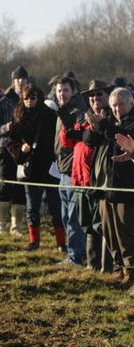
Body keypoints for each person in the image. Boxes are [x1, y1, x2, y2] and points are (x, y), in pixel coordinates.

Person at [84, 87, 134, 290]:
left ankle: (131, 272)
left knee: (126, 232)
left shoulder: (129, 123)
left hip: (126, 189)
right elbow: (89, 141)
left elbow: (121, 136)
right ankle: (117, 269)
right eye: (113, 105)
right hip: (106, 186)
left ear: (130, 104)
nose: (117, 109)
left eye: (121, 104)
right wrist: (94, 127)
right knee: (110, 231)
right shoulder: (110, 122)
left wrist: (104, 125)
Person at [7, 85, 65, 251]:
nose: (29, 101)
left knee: (56, 206)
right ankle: (34, 241)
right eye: (26, 98)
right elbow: (11, 142)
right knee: (32, 207)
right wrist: (21, 151)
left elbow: (58, 139)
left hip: (49, 166)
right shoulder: (18, 117)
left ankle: (61, 242)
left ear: (38, 98)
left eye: (32, 98)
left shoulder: (50, 115)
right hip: (30, 167)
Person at [64, 80, 113, 271]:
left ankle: (106, 268)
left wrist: (98, 127)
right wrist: (71, 127)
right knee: (88, 225)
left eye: (99, 94)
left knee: (102, 225)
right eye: (91, 96)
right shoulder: (84, 118)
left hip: (101, 182)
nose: (95, 98)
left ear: (107, 96)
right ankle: (92, 265)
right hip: (81, 180)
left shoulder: (111, 117)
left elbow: (96, 142)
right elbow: (74, 141)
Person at [54, 76, 87, 266]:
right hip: (62, 170)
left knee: (74, 217)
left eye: (65, 90)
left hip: (74, 172)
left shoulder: (79, 112)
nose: (61, 94)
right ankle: (73, 253)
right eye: (59, 90)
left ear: (74, 91)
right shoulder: (62, 111)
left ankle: (77, 256)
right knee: (66, 215)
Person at [0, 66, 28, 235]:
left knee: (21, 185)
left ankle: (17, 226)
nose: (20, 81)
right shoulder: (3, 100)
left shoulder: (30, 99)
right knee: (6, 183)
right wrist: (5, 127)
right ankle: (0, 223)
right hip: (5, 146)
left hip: (23, 149)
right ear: (13, 81)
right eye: (18, 78)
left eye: (23, 78)